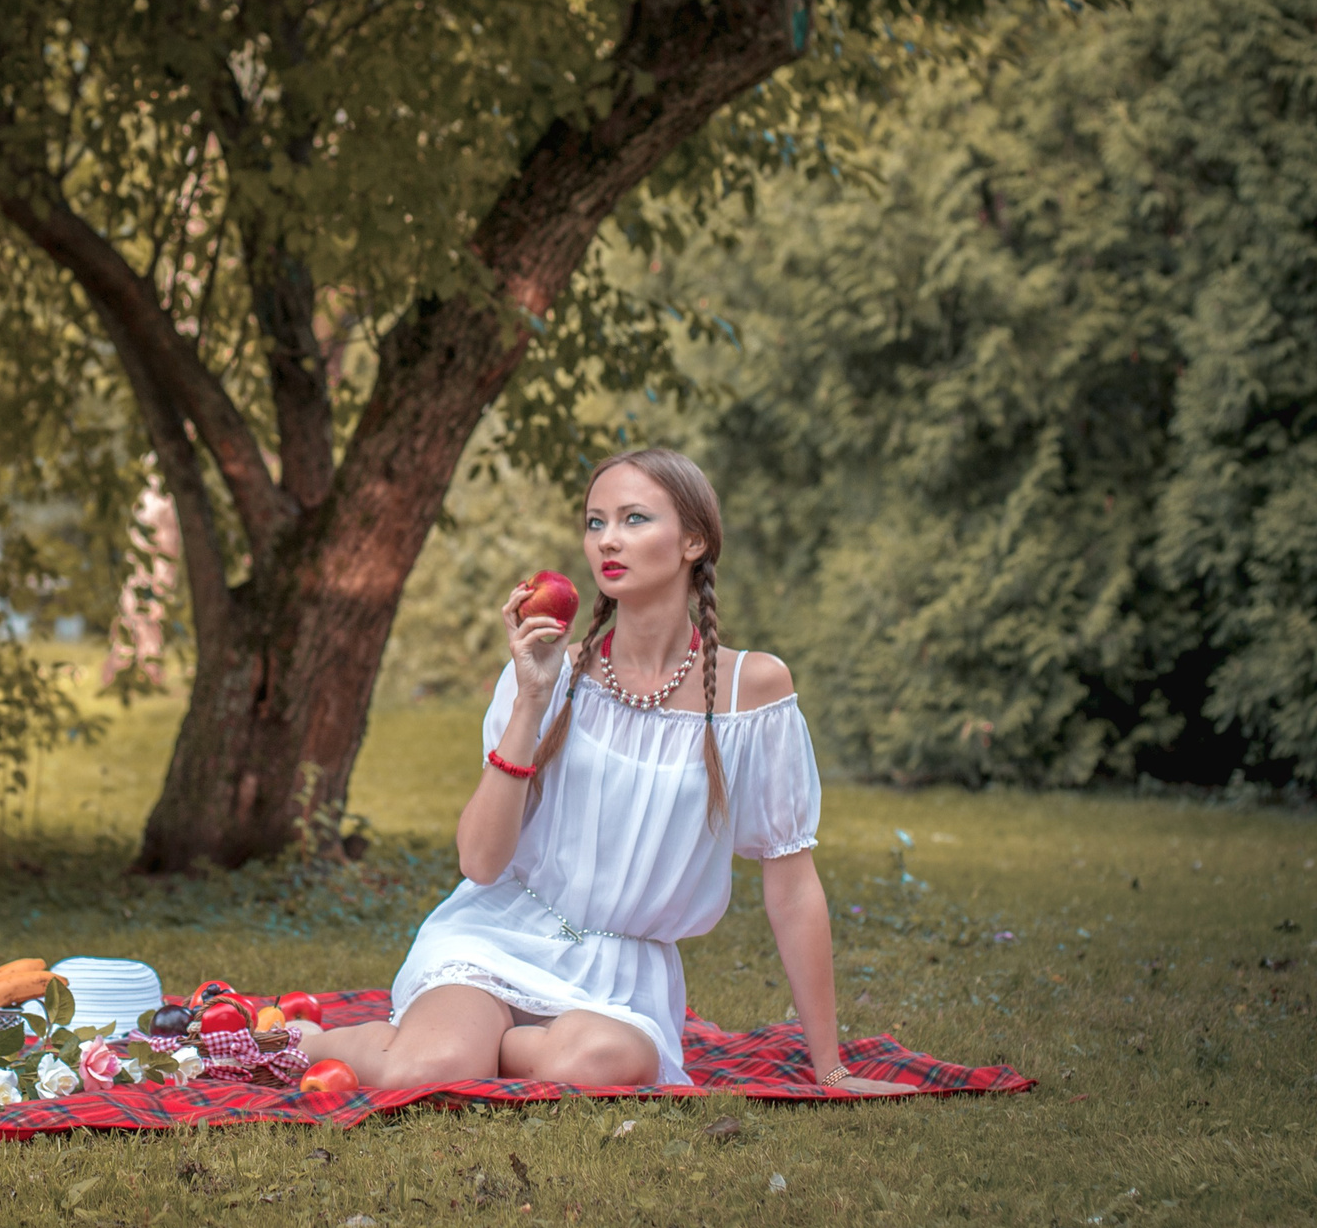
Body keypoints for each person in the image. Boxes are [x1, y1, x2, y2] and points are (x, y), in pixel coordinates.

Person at [294, 448, 915, 1093]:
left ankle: (488, 1048)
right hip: (501, 935)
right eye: (595, 523)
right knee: (427, 1071)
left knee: (601, 1064)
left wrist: (832, 1068)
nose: (608, 540)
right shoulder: (548, 672)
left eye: (634, 519)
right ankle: (317, 1041)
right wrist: (531, 703)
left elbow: (791, 887)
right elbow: (480, 863)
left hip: (621, 972)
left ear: (693, 541)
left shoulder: (750, 691)